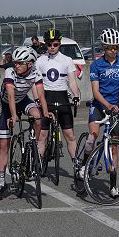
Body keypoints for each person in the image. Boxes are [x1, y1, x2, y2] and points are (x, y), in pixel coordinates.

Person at [80, 28, 119, 198]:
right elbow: (95, 92)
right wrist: (107, 105)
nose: (113, 50)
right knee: (93, 135)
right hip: (99, 105)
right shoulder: (96, 65)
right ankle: (83, 166)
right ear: (103, 47)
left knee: (114, 147)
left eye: (116, 47)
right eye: (110, 47)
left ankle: (113, 186)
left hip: (115, 107)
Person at [0, 46, 50, 201]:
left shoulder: (36, 73)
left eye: (19, 63)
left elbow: (41, 95)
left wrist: (46, 112)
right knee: (4, 144)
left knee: (38, 116)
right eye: (15, 62)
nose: (15, 65)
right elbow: (10, 96)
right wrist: (13, 115)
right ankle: (1, 182)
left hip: (23, 100)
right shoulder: (10, 72)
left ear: (30, 64)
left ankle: (34, 148)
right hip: (7, 104)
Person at [36, 28, 80, 168]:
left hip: (62, 98)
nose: (52, 47)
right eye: (49, 44)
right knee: (42, 136)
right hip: (46, 99)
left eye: (55, 44)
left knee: (70, 135)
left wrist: (76, 96)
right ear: (45, 45)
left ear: (59, 43)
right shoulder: (40, 61)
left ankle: (77, 166)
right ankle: (36, 166)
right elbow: (36, 83)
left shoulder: (67, 60)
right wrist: (37, 98)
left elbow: (72, 82)